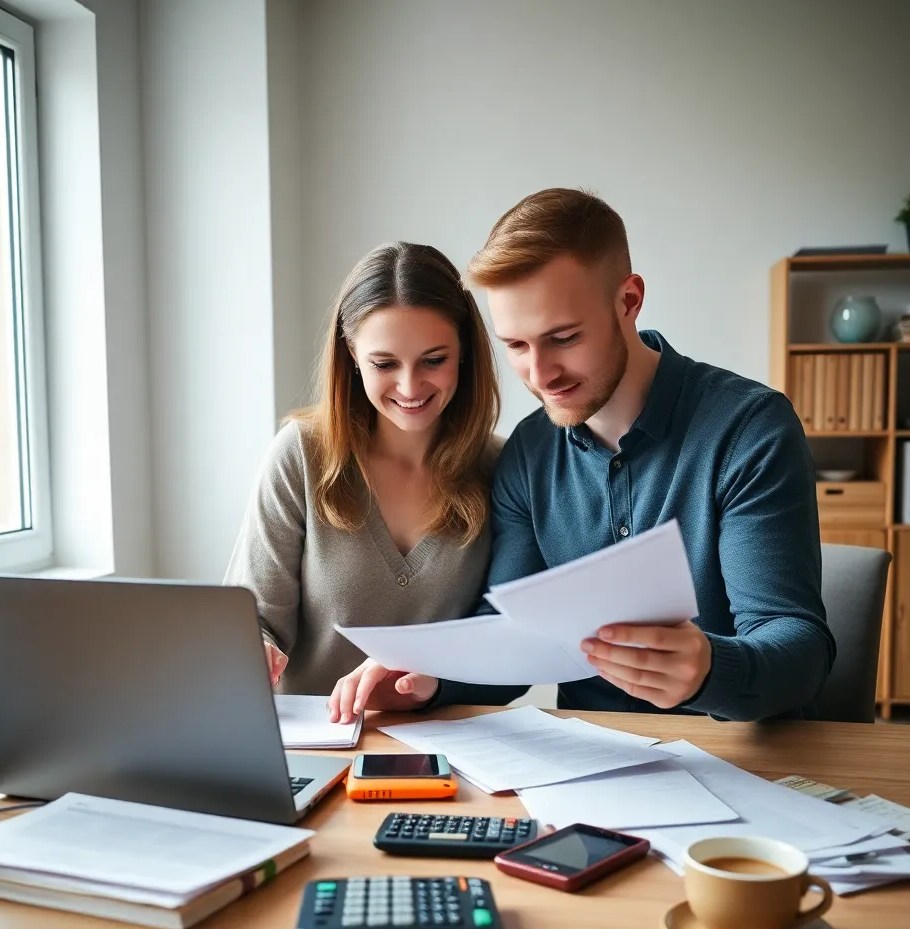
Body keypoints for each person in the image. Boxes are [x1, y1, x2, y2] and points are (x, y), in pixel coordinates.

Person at [329, 188, 834, 723]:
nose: (541, 376)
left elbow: (799, 645)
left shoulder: (749, 429)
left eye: (563, 338)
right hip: (591, 768)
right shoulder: (529, 452)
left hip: (743, 759)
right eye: (517, 347)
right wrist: (425, 676)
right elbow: (513, 641)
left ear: (629, 301)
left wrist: (711, 670)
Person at [225, 242, 501, 695]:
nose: (410, 386)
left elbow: (502, 645)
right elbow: (254, 618)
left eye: (434, 360)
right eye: (384, 363)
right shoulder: (301, 456)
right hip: (319, 745)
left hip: (448, 745)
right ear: (352, 354)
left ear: (465, 352)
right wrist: (251, 647)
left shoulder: (500, 468)